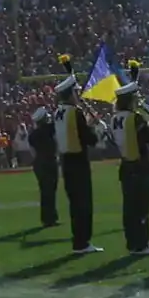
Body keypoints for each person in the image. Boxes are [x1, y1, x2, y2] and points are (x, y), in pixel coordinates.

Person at [112, 72, 149, 255]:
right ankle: (142, 244)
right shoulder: (135, 118)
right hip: (139, 166)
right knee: (141, 207)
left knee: (129, 208)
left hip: (125, 166)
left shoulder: (116, 118)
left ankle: (132, 243)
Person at [55, 78, 101, 253]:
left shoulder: (58, 112)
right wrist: (94, 127)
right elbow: (89, 139)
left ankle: (79, 241)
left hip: (66, 161)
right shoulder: (75, 112)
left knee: (75, 204)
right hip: (78, 161)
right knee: (83, 204)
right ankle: (83, 242)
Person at [28, 101, 59, 230]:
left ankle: (49, 217)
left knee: (45, 190)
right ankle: (49, 218)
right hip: (49, 162)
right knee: (50, 190)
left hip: (39, 163)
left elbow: (32, 152)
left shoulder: (33, 135)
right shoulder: (49, 129)